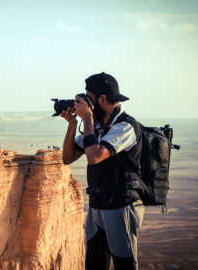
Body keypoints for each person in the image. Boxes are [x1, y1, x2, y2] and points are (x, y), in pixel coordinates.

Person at [61, 72, 145, 270]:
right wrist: (73, 124)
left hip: (120, 205)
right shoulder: (98, 127)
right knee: (94, 263)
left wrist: (88, 119)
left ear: (103, 99)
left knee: (125, 265)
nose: (85, 103)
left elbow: (94, 156)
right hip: (97, 206)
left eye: (88, 98)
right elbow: (67, 158)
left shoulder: (125, 127)